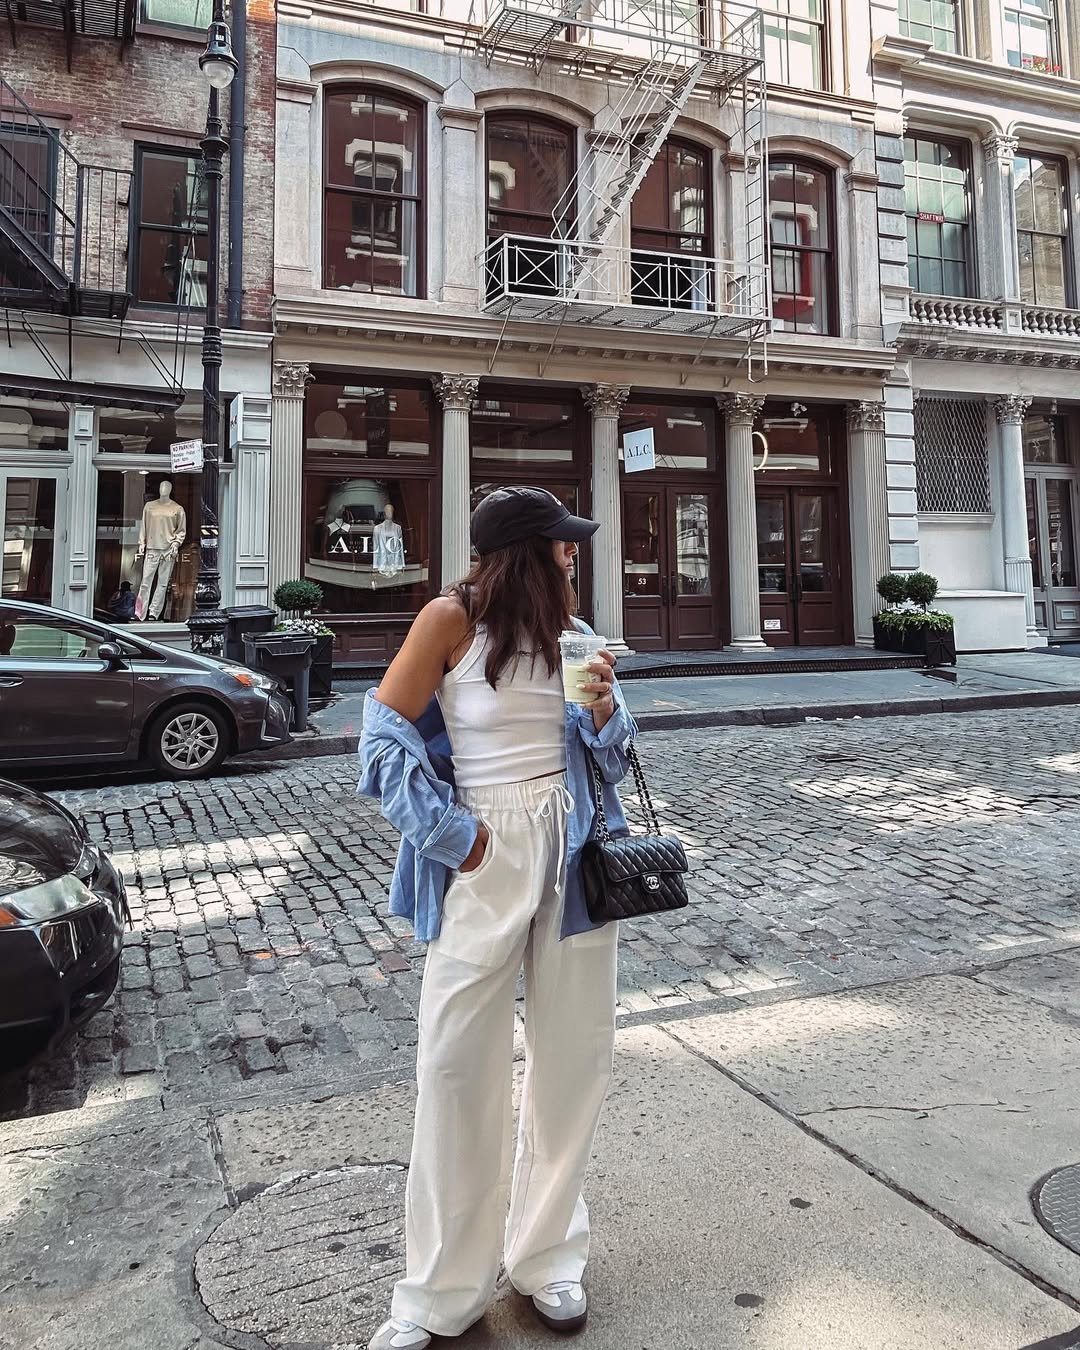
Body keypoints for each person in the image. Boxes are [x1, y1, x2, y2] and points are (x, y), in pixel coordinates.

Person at [358, 486, 638, 1350]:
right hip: (483, 853)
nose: (573, 555)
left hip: (573, 850)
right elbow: (379, 733)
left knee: (572, 1059)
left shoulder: (573, 630)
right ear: (524, 551)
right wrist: (457, 837)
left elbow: (614, 760)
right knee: (453, 1066)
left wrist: (603, 711)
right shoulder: (450, 619)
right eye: (561, 545)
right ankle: (438, 1292)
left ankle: (548, 1257)